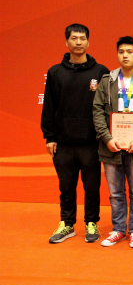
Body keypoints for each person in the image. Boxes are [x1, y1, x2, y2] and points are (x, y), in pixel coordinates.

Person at [42, 23, 109, 244]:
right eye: (74, 38)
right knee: (66, 187)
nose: (78, 42)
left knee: (92, 187)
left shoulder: (101, 72)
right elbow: (49, 107)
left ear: (88, 42)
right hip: (63, 143)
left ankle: (91, 223)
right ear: (66, 42)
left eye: (82, 38)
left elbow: (108, 107)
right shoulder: (55, 72)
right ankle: (67, 224)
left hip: (91, 142)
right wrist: (50, 137)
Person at [92, 36, 133, 248]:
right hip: (111, 145)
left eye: (130, 52)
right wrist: (107, 138)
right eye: (121, 52)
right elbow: (97, 111)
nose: (125, 55)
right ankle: (118, 230)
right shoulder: (107, 81)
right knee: (115, 193)